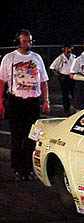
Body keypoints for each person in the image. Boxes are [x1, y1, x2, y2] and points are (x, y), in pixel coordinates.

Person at [0, 29, 50, 181]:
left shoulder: (36, 58)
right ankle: (17, 169)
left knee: (31, 138)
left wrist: (46, 100)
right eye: (24, 41)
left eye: (29, 41)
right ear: (18, 42)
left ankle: (27, 170)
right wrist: (0, 101)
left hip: (32, 102)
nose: (27, 44)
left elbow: (43, 81)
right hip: (16, 102)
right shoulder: (10, 58)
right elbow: (2, 81)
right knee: (17, 137)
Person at [49, 44, 75, 114]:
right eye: (67, 48)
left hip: (72, 77)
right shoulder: (60, 58)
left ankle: (76, 109)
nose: (68, 50)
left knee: (74, 94)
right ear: (63, 49)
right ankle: (66, 110)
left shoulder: (74, 57)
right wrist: (58, 75)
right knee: (65, 95)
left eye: (69, 48)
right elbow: (52, 67)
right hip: (64, 77)